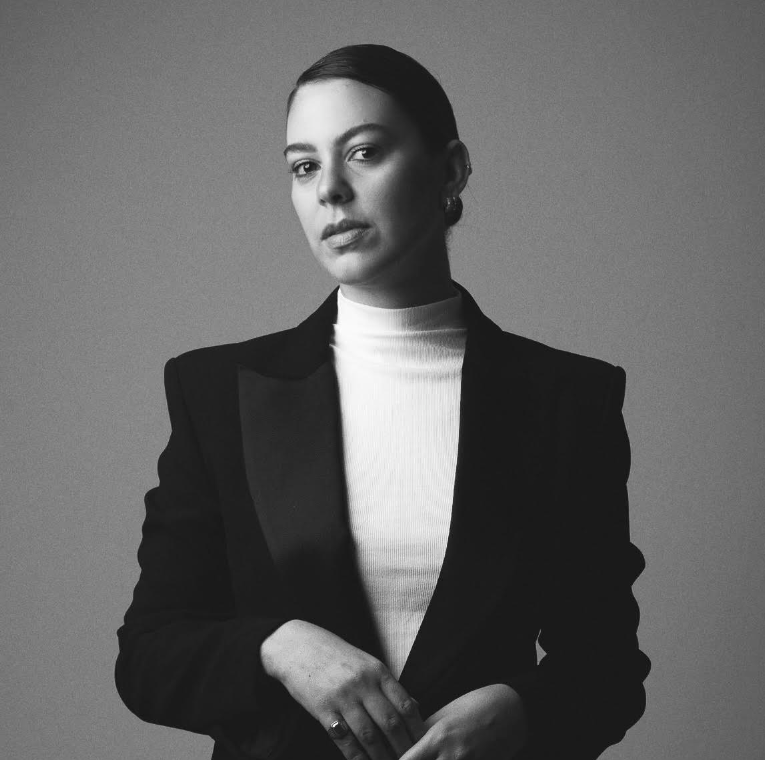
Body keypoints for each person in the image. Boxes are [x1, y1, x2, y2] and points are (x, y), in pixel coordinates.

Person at [115, 44, 650, 760]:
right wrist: (280, 647)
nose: (330, 191)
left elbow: (606, 669)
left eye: (363, 153)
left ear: (450, 170)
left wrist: (520, 711)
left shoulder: (566, 401)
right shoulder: (216, 393)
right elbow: (148, 656)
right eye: (304, 167)